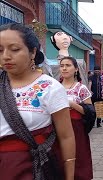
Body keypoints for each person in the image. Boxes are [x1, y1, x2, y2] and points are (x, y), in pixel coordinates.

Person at [0, 23, 75, 179]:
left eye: (14, 49)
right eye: (0, 50)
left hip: (32, 168)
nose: (6, 56)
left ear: (33, 52)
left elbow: (66, 136)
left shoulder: (50, 87)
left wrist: (69, 176)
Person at [60, 56, 94, 180]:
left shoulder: (81, 88)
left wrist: (72, 104)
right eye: (62, 65)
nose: (64, 68)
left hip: (76, 129)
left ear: (75, 69)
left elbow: (90, 111)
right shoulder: (54, 87)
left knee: (78, 156)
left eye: (68, 65)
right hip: (57, 128)